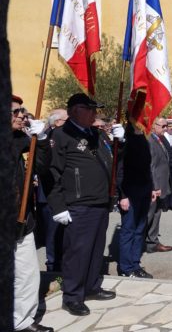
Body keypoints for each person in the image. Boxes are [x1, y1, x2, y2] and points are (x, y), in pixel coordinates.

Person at [48, 93, 124, 316]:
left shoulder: (96, 134)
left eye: (95, 109)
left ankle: (91, 287)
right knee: (78, 252)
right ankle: (72, 296)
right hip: (78, 204)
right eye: (88, 109)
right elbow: (52, 174)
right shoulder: (61, 135)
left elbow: (113, 161)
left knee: (94, 250)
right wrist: (58, 206)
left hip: (100, 201)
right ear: (73, 111)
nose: (94, 113)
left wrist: (122, 141)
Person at [11, 96, 54, 332]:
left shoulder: (19, 139)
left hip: (22, 222)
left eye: (22, 111)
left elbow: (42, 166)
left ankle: (22, 321)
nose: (21, 116)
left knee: (28, 276)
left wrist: (43, 139)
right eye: (15, 112)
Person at [116, 123, 153, 278]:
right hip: (130, 192)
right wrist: (123, 195)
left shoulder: (142, 138)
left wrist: (150, 188)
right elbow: (119, 170)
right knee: (128, 230)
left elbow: (147, 167)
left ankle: (135, 264)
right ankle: (126, 268)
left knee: (139, 230)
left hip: (144, 191)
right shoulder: (126, 140)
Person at [36, 108, 68, 272]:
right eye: (65, 120)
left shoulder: (60, 135)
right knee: (53, 234)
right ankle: (53, 267)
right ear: (56, 122)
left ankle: (60, 265)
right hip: (49, 194)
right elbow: (50, 168)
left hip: (61, 192)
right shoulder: (49, 137)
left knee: (61, 234)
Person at [146, 117, 172, 253]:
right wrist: (155, 187)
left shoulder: (158, 140)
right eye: (163, 126)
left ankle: (152, 242)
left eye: (166, 126)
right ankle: (141, 243)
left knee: (156, 214)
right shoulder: (150, 141)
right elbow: (150, 166)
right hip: (154, 187)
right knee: (149, 215)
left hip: (161, 185)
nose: (165, 128)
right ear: (153, 126)